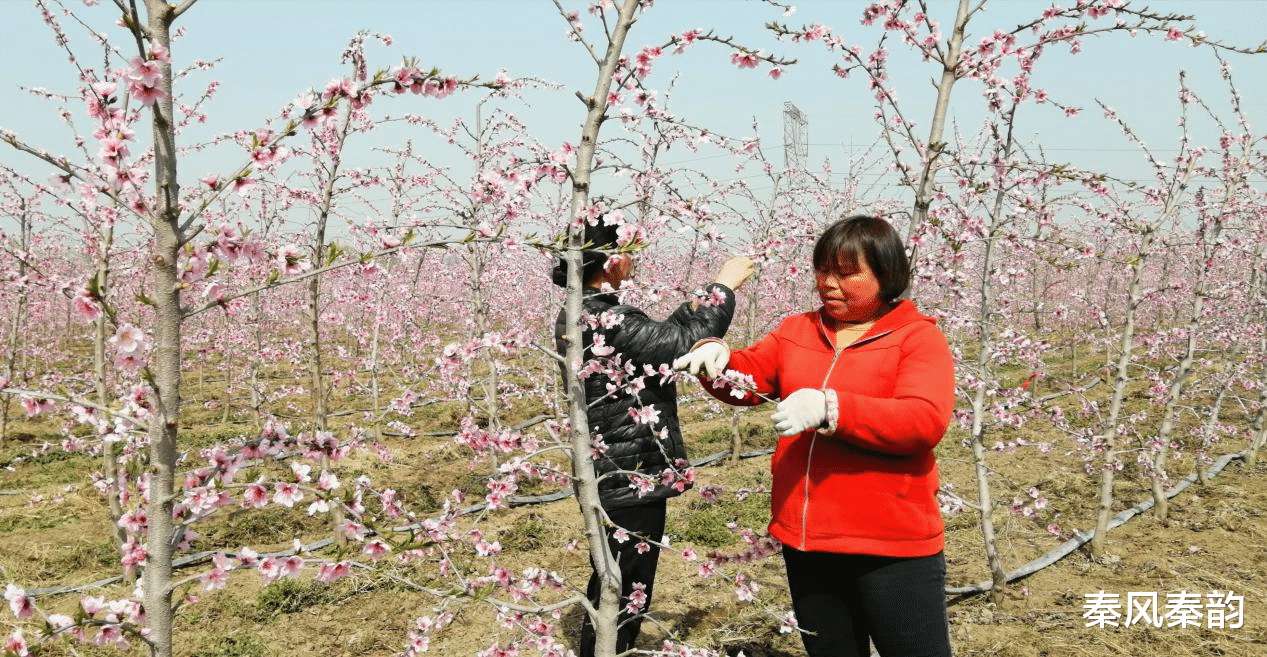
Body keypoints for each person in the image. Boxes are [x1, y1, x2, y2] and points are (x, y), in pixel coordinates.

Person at [673, 215, 955, 657]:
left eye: (846, 273)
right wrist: (718, 358)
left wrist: (832, 407)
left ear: (886, 273)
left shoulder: (917, 340)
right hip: (808, 539)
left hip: (889, 543)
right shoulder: (798, 330)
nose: (829, 283)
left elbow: (923, 421)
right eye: (823, 270)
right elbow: (753, 378)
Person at [553, 216, 754, 657]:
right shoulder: (609, 318)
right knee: (627, 583)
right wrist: (722, 286)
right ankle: (607, 650)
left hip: (610, 465)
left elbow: (662, 339)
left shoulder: (586, 314)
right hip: (631, 471)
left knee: (613, 575)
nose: (632, 262)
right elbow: (687, 341)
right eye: (627, 252)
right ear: (609, 261)